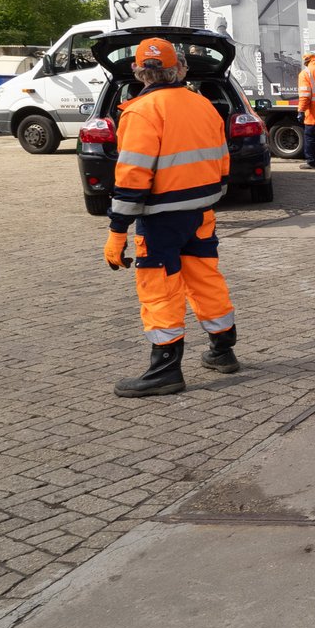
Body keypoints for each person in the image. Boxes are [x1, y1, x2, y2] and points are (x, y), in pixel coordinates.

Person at [103, 35, 239, 397]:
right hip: (201, 212)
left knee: (160, 288)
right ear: (179, 70)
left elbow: (132, 175)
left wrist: (118, 230)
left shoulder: (140, 111)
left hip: (161, 218)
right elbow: (223, 162)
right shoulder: (205, 106)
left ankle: (165, 370)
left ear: (138, 71)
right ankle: (223, 350)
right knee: (205, 279)